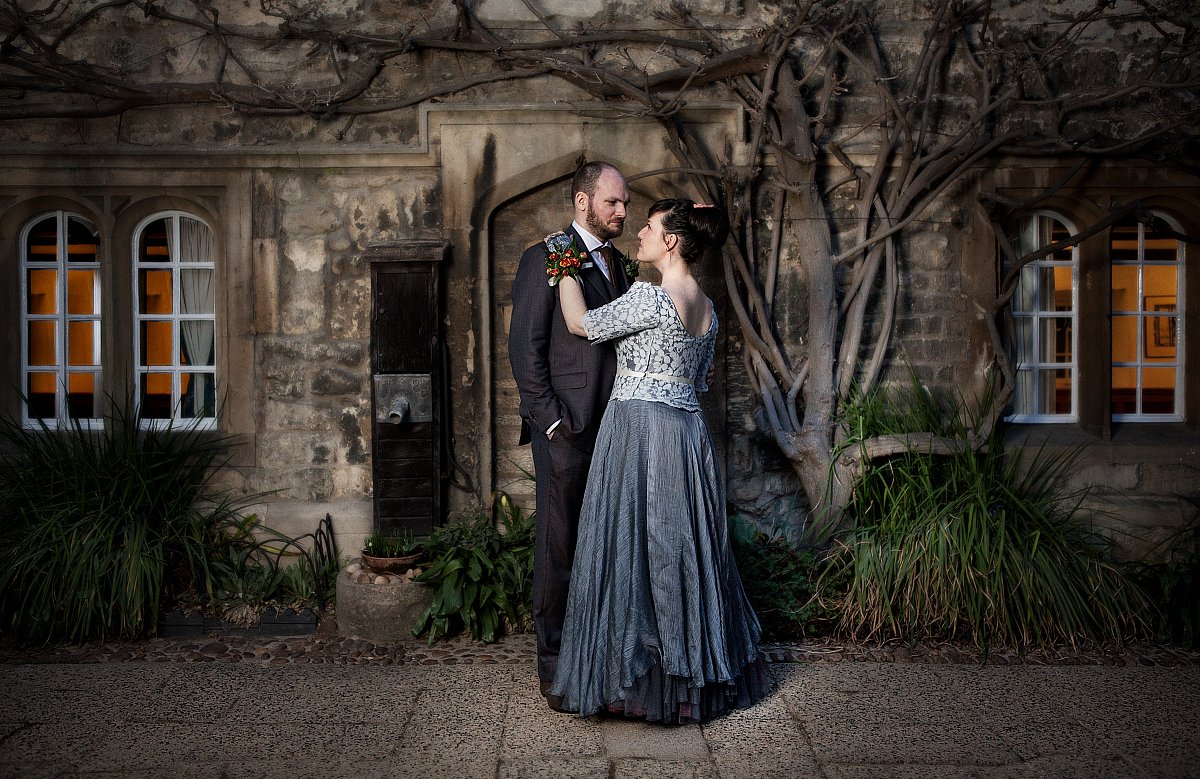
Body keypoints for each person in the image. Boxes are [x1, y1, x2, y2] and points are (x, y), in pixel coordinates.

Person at [549, 198, 768, 724]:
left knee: (631, 550)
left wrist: (562, 267)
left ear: (671, 240)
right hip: (686, 436)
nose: (640, 234)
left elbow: (581, 324)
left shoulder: (650, 296)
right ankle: (686, 676)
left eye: (648, 227)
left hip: (639, 430)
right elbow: (701, 381)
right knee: (679, 553)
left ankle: (638, 679)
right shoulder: (708, 308)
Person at [508, 161, 635, 712]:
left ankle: (599, 656)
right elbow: (525, 347)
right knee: (559, 545)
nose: (622, 212)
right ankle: (555, 665)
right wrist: (550, 419)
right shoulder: (545, 258)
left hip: (614, 426)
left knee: (604, 543)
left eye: (625, 204)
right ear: (583, 202)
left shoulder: (620, 265)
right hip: (567, 428)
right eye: (612, 202)